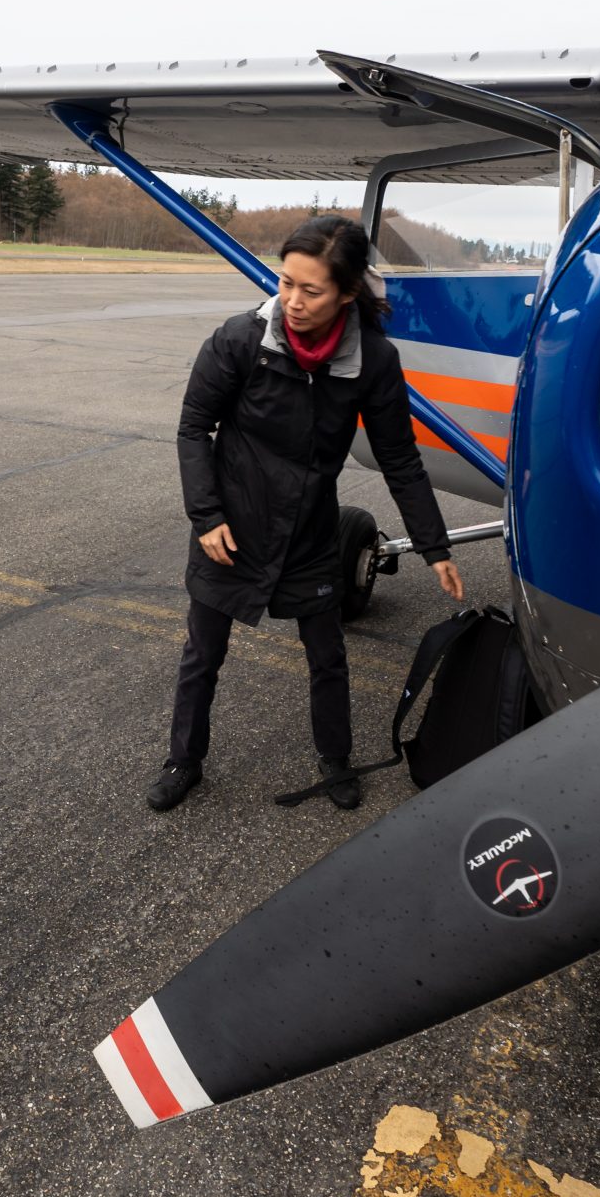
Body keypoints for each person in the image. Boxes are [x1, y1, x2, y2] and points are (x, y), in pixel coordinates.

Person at [155, 214, 465, 812]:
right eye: (286, 283)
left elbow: (400, 458)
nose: (291, 301)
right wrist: (206, 515)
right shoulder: (240, 339)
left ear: (347, 293)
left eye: (310, 289)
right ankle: (184, 760)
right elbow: (194, 428)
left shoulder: (372, 360)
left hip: (310, 530)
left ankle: (336, 760)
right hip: (232, 527)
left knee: (328, 656)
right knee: (202, 655)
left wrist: (435, 547)